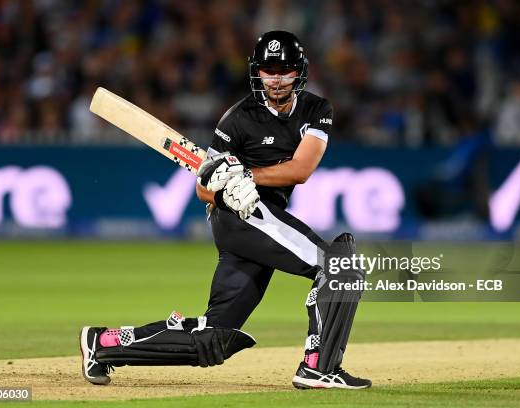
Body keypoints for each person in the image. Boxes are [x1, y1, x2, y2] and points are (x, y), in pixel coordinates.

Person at [80, 30, 371, 390]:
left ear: (299, 72)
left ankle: (104, 343)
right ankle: (318, 367)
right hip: (240, 218)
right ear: (257, 72)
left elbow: (301, 169)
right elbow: (204, 187)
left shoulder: (316, 109)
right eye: (268, 69)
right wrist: (223, 192)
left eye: (284, 69)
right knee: (340, 266)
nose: (276, 78)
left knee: (215, 336)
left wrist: (246, 175)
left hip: (262, 219)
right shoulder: (237, 119)